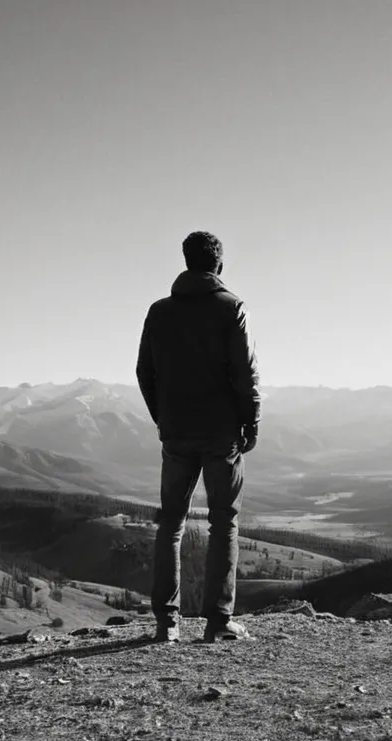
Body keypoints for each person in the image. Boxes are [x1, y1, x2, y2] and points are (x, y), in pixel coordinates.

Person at [137, 231, 261, 643]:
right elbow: (244, 374)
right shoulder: (231, 309)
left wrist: (164, 418)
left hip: (176, 433)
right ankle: (219, 621)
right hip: (221, 431)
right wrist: (251, 420)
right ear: (219, 265)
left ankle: (166, 623)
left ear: (187, 262)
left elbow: (144, 373)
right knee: (223, 522)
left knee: (170, 524)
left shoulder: (159, 312)